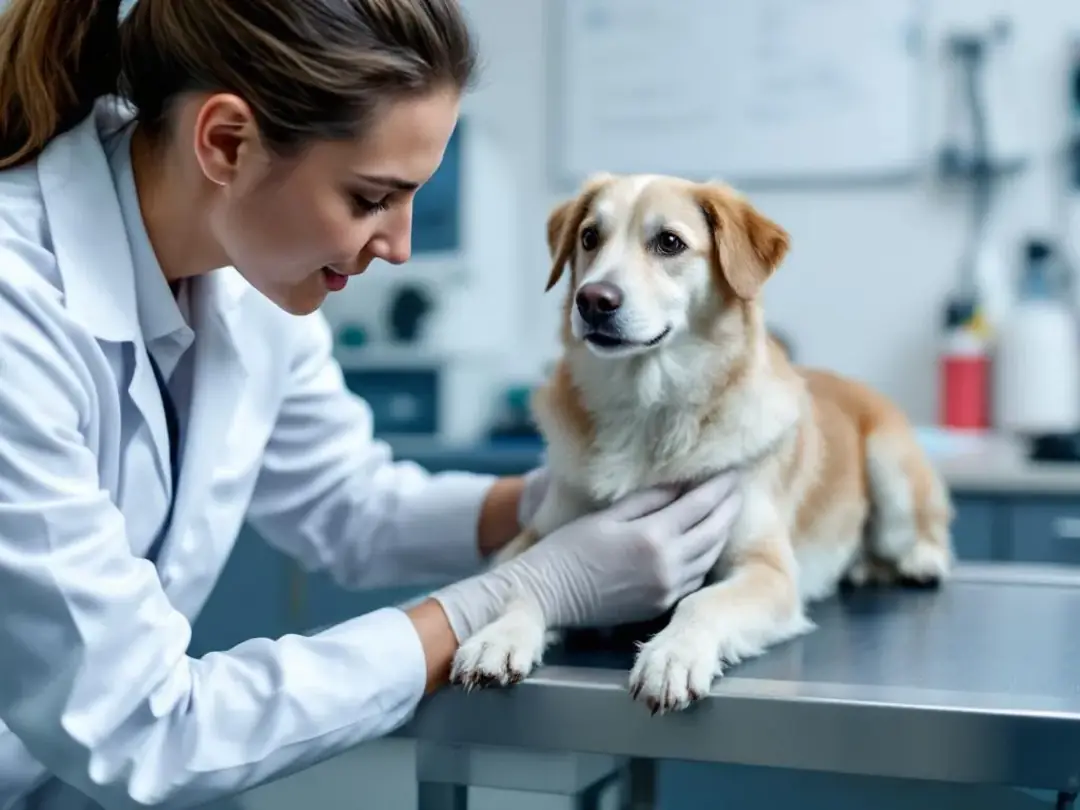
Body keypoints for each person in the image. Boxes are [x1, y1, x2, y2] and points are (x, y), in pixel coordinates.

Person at [0, 1, 743, 808]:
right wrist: (516, 593)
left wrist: (549, 500)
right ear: (225, 143)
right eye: (369, 199)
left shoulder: (243, 276)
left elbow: (346, 504)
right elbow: (147, 727)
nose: (399, 246)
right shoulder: (17, 313)